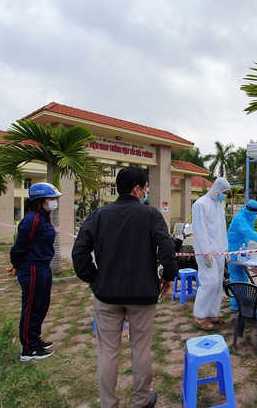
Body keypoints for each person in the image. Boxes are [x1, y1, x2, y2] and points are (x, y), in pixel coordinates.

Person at [72, 167, 178, 408]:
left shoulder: (98, 215)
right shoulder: (151, 215)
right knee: (140, 349)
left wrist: (94, 279)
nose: (146, 192)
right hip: (143, 294)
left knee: (107, 352)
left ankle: (108, 404)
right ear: (136, 189)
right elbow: (167, 250)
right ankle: (141, 401)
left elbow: (79, 252)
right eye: (145, 188)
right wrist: (168, 277)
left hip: (107, 294)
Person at [7, 182, 62, 362]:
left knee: (41, 305)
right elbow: (19, 246)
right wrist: (15, 265)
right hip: (32, 268)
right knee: (31, 308)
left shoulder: (44, 217)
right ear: (40, 201)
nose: (54, 202)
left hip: (43, 267)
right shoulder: (32, 220)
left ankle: (35, 340)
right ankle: (28, 350)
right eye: (52, 198)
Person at [191, 177, 231, 330]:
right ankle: (200, 316)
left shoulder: (218, 205)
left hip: (219, 252)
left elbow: (222, 230)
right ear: (217, 189)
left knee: (217, 284)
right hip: (206, 253)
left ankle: (213, 314)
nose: (224, 195)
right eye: (224, 192)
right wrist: (205, 252)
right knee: (209, 283)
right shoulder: (200, 204)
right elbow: (200, 230)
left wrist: (225, 249)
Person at [227, 199, 257, 311]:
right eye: (255, 213)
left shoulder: (250, 219)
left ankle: (241, 301)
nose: (256, 216)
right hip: (233, 250)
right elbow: (247, 232)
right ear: (249, 211)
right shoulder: (240, 219)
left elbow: (249, 235)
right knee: (236, 277)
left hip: (242, 250)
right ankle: (236, 304)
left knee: (243, 276)